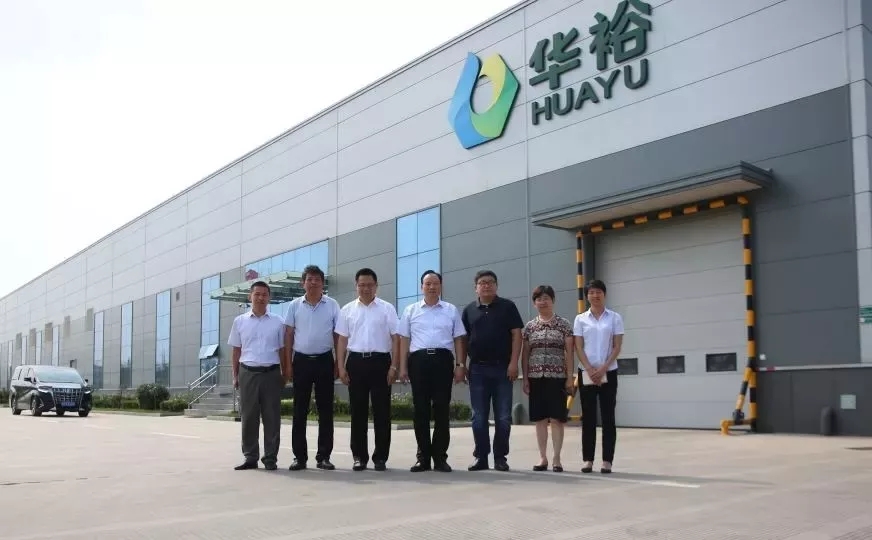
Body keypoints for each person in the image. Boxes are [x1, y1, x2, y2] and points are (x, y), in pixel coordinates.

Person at [398, 270, 467, 473]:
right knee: (420, 410)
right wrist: (403, 367)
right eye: (427, 284)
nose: (431, 287)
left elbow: (459, 339)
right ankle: (423, 458)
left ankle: (440, 458)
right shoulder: (411, 310)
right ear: (422, 287)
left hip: (443, 360)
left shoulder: (450, 310)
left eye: (435, 283)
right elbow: (404, 340)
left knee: (442, 409)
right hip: (418, 361)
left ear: (440, 286)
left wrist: (460, 365)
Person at [335, 268, 399, 472]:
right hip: (356, 362)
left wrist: (394, 366)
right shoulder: (347, 310)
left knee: (382, 412)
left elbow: (396, 338)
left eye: (370, 285)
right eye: (362, 285)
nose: (366, 288)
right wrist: (341, 367)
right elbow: (342, 340)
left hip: (381, 362)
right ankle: (359, 457)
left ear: (376, 286)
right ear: (356, 286)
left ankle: (380, 457)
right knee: (358, 412)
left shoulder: (387, 308)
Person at [461, 269, 524, 472]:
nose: (486, 285)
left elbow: (517, 335)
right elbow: (462, 340)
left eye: (490, 282)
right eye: (482, 283)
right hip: (477, 369)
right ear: (476, 288)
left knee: (503, 417)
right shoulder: (469, 310)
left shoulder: (508, 307)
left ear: (496, 286)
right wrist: (462, 365)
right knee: (478, 417)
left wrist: (514, 363)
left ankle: (500, 458)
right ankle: (481, 457)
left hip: (503, 369)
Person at [284, 264, 341, 471]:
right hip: (301, 361)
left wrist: (338, 362)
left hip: (325, 360)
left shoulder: (332, 304)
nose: (313, 282)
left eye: (317, 279)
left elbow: (338, 335)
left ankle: (324, 456)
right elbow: (288, 335)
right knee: (299, 410)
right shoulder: (294, 306)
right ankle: (299, 457)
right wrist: (288, 364)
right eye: (309, 279)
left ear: (323, 283)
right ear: (303, 283)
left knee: (326, 411)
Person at [228, 281, 289, 471]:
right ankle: (250, 457)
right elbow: (236, 351)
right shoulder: (240, 321)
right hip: (248, 372)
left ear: (269, 298)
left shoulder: (278, 322)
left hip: (271, 373)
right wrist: (235, 375)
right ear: (250, 296)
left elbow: (282, 350)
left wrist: (285, 372)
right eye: (257, 294)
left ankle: (270, 458)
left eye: (264, 295)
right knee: (249, 417)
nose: (261, 298)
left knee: (272, 418)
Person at [521, 285, 575, 473]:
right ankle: (542, 457)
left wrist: (569, 378)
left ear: (553, 300)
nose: (542, 302)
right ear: (534, 303)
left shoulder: (564, 325)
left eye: (546, 298)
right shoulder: (529, 327)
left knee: (557, 419)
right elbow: (525, 354)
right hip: (536, 378)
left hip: (557, 377)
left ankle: (557, 458)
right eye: (539, 299)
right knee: (540, 419)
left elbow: (569, 353)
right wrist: (525, 378)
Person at [573, 279, 624, 474]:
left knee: (608, 416)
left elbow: (617, 346)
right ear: (587, 296)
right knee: (588, 417)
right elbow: (578, 346)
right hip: (586, 372)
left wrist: (603, 368)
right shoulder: (580, 319)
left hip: (608, 372)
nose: (595, 295)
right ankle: (588, 460)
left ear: (604, 294)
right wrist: (589, 368)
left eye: (598, 292)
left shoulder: (614, 318)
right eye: (591, 292)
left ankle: (607, 461)